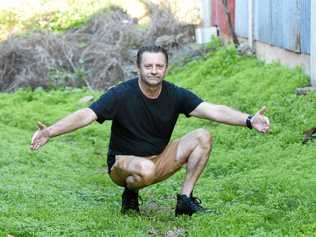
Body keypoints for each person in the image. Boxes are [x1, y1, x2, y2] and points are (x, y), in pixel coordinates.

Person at [30, 45, 270, 216]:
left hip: (158, 158)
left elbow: (214, 110)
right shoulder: (121, 94)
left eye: (159, 66)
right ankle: (130, 193)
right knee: (145, 168)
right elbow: (87, 114)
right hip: (122, 164)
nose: (154, 70)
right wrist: (50, 131)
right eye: (148, 66)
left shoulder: (175, 94)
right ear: (138, 68)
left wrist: (249, 120)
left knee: (202, 136)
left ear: (165, 68)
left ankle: (185, 201)